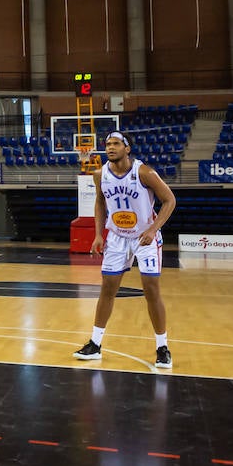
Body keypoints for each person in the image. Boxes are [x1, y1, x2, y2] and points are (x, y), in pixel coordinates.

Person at [74, 131, 178, 370]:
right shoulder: (100, 174)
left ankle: (162, 347)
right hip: (118, 238)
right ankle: (95, 344)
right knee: (107, 288)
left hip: (144, 237)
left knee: (151, 290)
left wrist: (153, 229)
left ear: (127, 148)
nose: (110, 148)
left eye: (116, 144)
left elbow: (170, 200)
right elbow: (100, 202)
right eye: (108, 144)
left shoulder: (144, 173)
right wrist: (99, 234)